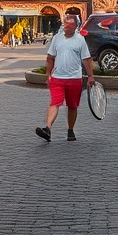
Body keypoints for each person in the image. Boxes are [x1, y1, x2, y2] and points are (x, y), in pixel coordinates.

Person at [35, 13, 94, 143]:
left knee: (72, 106)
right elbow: (50, 57)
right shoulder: (57, 38)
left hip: (74, 78)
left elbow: (86, 59)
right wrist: (48, 75)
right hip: (57, 78)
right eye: (65, 23)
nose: (66, 26)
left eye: (70, 24)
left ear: (75, 26)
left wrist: (90, 76)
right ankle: (47, 129)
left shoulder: (80, 40)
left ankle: (70, 130)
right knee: (55, 103)